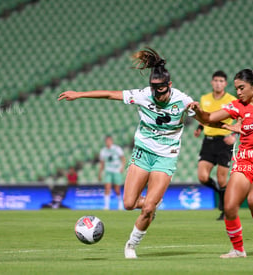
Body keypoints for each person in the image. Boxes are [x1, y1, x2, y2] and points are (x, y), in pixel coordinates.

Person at [58, 47, 229, 259]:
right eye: (156, 92)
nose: (160, 97)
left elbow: (206, 120)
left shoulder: (183, 100)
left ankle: (131, 244)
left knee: (147, 208)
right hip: (142, 153)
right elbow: (111, 94)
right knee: (129, 203)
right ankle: (151, 205)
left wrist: (213, 118)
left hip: (166, 157)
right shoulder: (142, 95)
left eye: (163, 92)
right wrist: (79, 94)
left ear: (170, 86)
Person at [189, 68, 253, 258]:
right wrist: (196, 111)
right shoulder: (236, 106)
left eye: (241, 88)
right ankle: (238, 250)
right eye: (236, 89)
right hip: (244, 161)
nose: (238, 92)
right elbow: (209, 118)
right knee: (229, 207)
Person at [194, 70, 237, 220]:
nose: (218, 83)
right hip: (208, 140)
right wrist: (199, 128)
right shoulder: (204, 98)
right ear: (212, 82)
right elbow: (203, 117)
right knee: (202, 176)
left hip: (224, 141)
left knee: (221, 178)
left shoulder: (232, 99)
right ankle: (220, 193)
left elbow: (241, 119)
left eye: (221, 81)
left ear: (225, 84)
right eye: (216, 80)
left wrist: (233, 135)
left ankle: (226, 209)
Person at [98, 135, 126, 210]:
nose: (108, 142)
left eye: (109, 141)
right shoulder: (103, 151)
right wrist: (100, 173)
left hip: (116, 171)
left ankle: (120, 203)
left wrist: (122, 167)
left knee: (117, 189)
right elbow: (102, 163)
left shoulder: (117, 149)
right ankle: (106, 206)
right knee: (107, 188)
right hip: (108, 171)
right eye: (107, 141)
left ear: (112, 141)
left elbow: (123, 159)